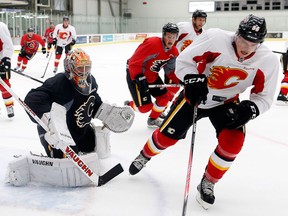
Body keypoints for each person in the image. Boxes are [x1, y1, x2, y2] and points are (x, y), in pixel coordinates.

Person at [128, 14, 279, 210]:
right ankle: (145, 155)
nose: (246, 47)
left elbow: (264, 97)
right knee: (166, 138)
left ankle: (208, 181)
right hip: (196, 96)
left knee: (233, 142)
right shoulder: (216, 38)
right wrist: (191, 78)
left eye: (253, 43)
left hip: (227, 102)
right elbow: (184, 61)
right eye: (243, 40)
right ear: (236, 34)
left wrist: (253, 108)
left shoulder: (267, 60)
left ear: (261, 43)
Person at [8, 48, 134, 187]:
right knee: (65, 160)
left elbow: (92, 101)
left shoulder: (91, 81)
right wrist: (49, 121)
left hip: (80, 131)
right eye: (80, 68)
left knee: (96, 147)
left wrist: (106, 112)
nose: (85, 72)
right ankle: (53, 147)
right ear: (69, 68)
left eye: (87, 68)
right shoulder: (59, 83)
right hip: (61, 135)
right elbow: (33, 99)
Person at [125, 23, 180, 128]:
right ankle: (130, 104)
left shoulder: (173, 51)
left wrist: (180, 80)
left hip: (151, 75)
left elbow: (170, 71)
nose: (171, 39)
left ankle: (153, 119)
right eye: (169, 36)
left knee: (164, 97)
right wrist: (140, 78)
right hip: (135, 73)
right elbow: (133, 63)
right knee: (145, 108)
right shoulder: (152, 43)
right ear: (163, 35)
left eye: (174, 37)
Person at [0, 21, 14, 118]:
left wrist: (6, 59)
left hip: (1, 60)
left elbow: (8, 43)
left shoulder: (1, 26)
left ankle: (9, 106)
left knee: (5, 84)